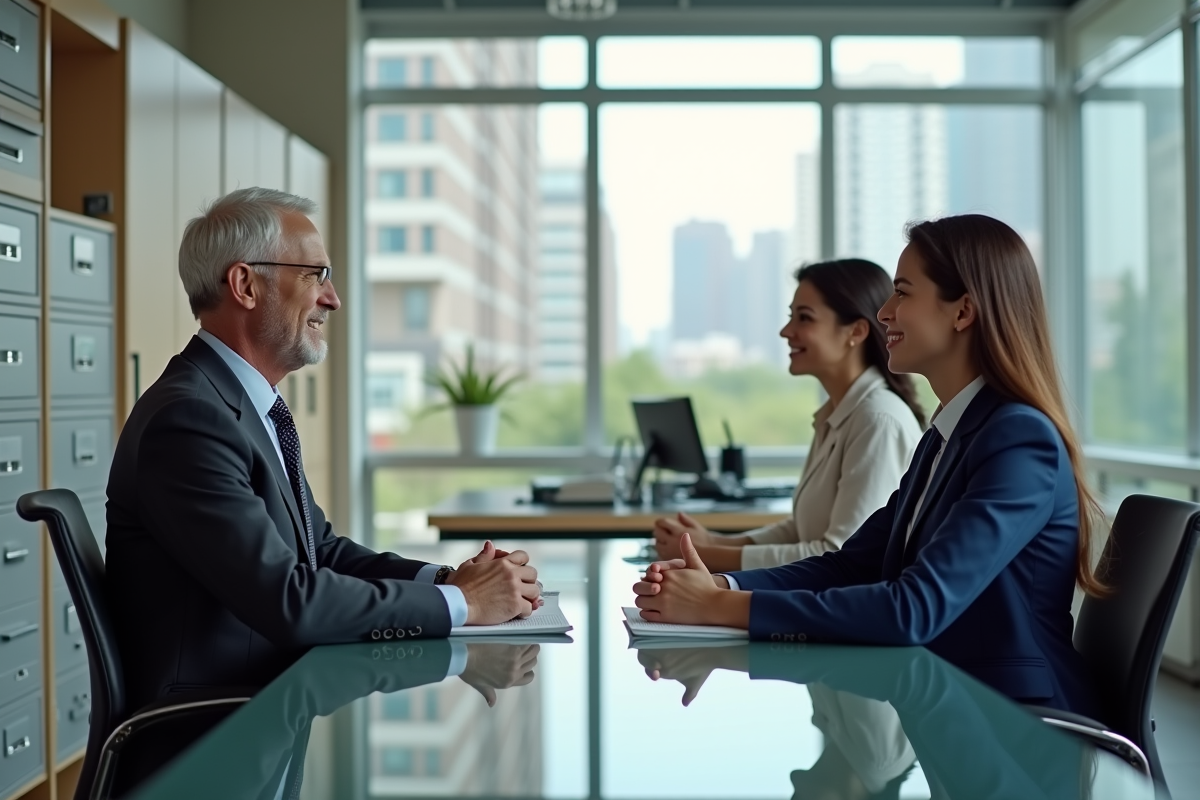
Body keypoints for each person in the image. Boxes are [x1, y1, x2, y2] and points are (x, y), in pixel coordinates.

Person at [632, 214, 1105, 715]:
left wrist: (718, 606)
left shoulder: (1018, 438)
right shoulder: (948, 434)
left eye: (902, 292)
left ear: (963, 311)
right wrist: (720, 584)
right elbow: (852, 564)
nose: (884, 312)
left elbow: (913, 609)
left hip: (1021, 729)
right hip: (949, 703)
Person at [106, 188, 542, 710]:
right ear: (245, 284)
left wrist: (449, 580)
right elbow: (289, 601)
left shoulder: (239, 406)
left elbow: (321, 552)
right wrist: (464, 603)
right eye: (315, 275)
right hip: (212, 728)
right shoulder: (190, 420)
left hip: (272, 699)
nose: (331, 298)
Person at [652, 259, 925, 571]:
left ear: (856, 331)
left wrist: (706, 556)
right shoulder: (840, 415)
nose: (786, 331)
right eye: (790, 317)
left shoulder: (877, 420)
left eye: (804, 318)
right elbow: (799, 530)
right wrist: (712, 542)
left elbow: (841, 554)